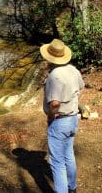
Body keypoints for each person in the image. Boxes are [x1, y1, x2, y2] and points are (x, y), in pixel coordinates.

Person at [40, 39, 85, 193]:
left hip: (59, 120)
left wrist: (51, 117)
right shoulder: (73, 70)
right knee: (68, 155)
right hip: (72, 119)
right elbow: (81, 87)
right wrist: (73, 102)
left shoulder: (54, 75)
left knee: (57, 162)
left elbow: (54, 103)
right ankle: (72, 187)